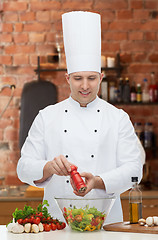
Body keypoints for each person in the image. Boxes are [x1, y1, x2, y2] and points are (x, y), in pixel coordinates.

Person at [17, 11, 145, 224]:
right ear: (67, 78)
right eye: (78, 78)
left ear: (101, 77)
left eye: (91, 78)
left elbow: (134, 169)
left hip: (106, 225)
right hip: (57, 225)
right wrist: (48, 167)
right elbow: (23, 167)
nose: (85, 86)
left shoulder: (118, 118)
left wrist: (98, 181)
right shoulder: (47, 117)